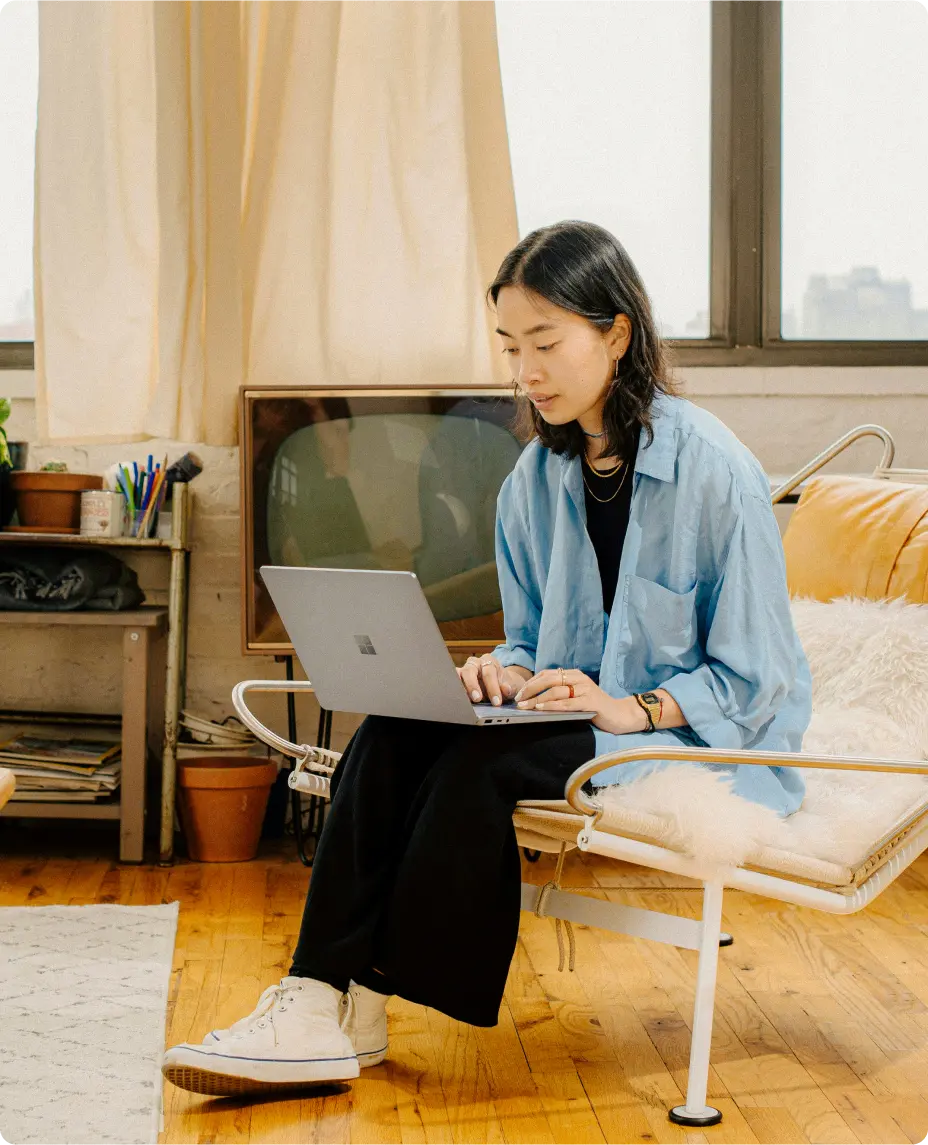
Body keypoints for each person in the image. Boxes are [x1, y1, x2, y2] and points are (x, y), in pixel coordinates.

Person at [162, 220, 812, 1097]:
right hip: (568, 712)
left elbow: (758, 676)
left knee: (474, 764)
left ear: (616, 333)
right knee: (394, 727)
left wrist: (636, 707)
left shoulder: (715, 472)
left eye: (545, 342)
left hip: (697, 735)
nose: (525, 370)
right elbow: (532, 637)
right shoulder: (533, 480)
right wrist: (500, 669)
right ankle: (319, 997)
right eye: (510, 346)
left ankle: (362, 993)